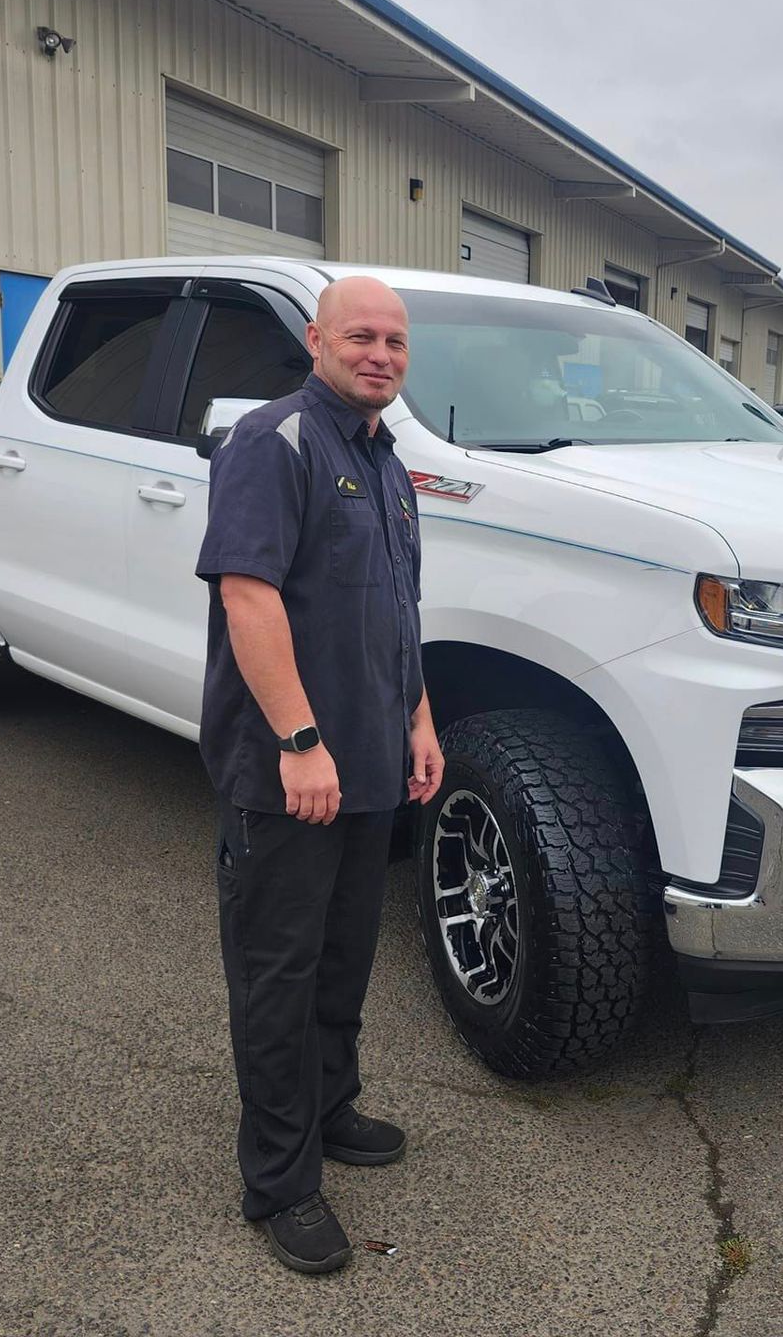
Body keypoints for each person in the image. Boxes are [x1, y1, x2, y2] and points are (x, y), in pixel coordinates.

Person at [196, 275, 444, 1275]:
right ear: (315, 340)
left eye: (394, 340)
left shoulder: (388, 463)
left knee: (343, 963)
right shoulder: (273, 443)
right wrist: (300, 741)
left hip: (374, 765)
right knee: (278, 976)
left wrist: (420, 719)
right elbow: (249, 602)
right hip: (291, 771)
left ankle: (330, 1110)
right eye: (360, 337)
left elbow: (398, 609)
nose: (379, 353)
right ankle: (281, 1183)